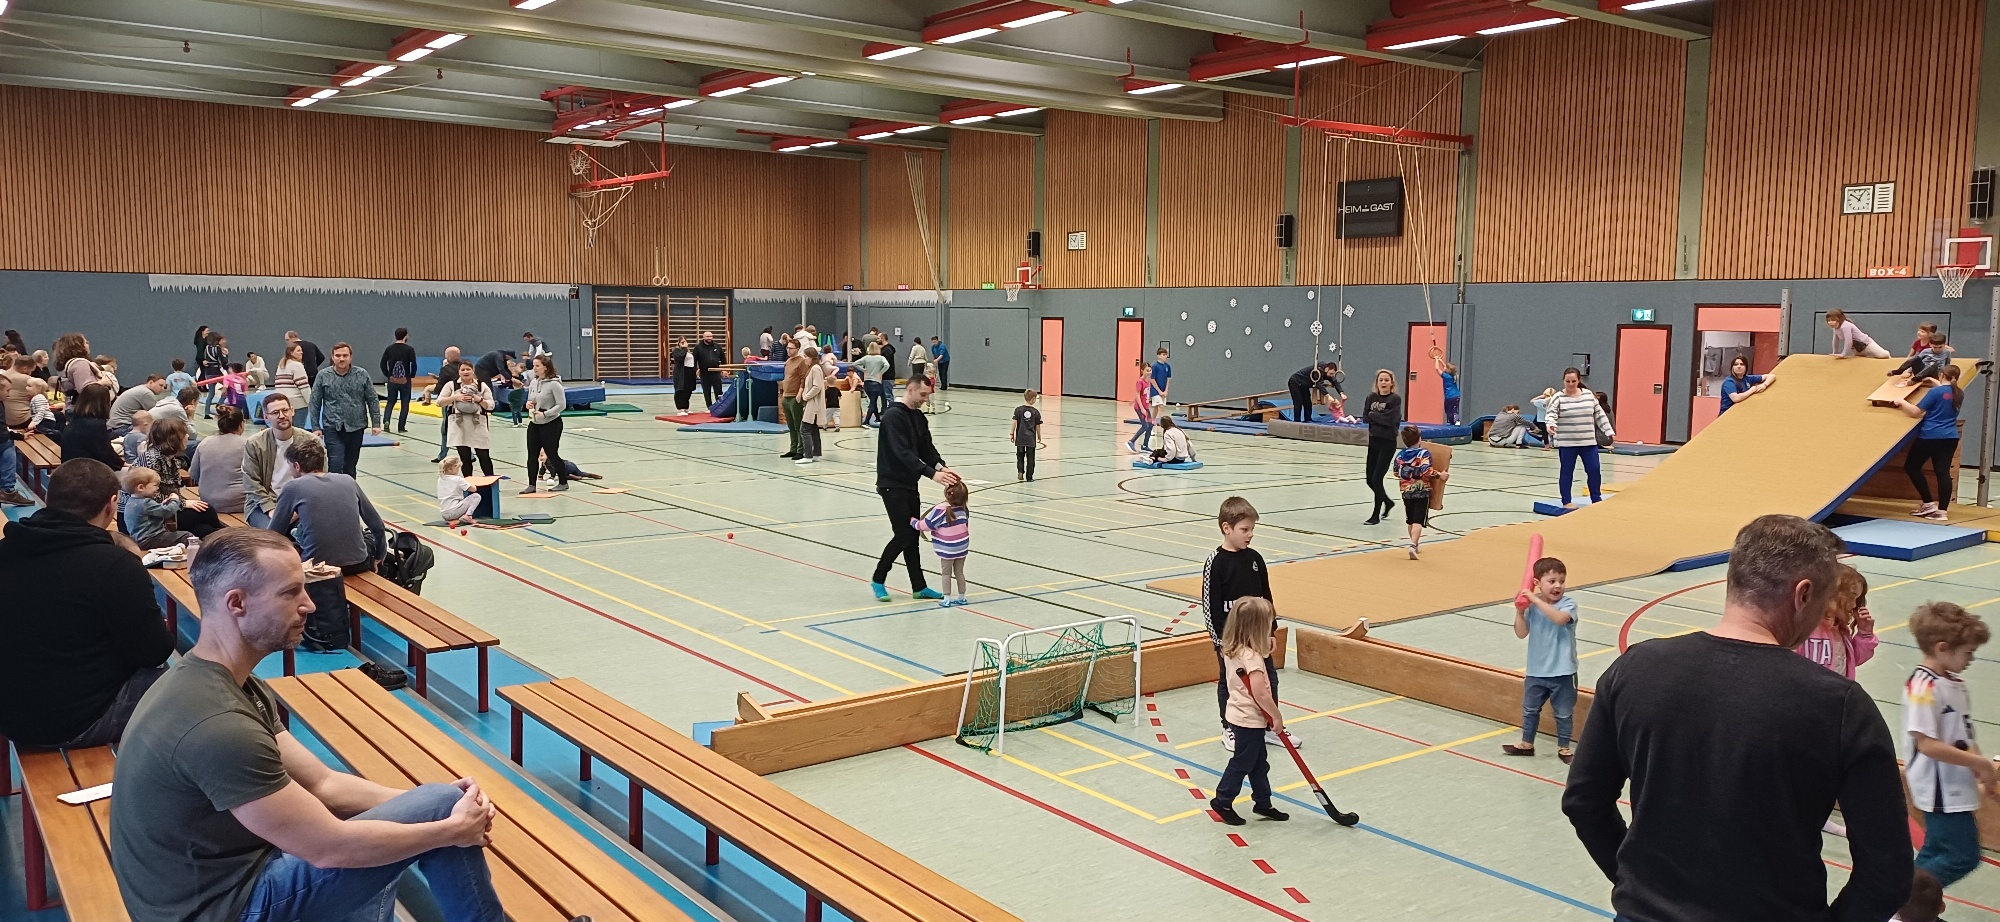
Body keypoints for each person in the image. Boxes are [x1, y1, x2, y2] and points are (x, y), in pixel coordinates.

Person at [109, 527, 561, 922]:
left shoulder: (224, 682)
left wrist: (431, 804)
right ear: (237, 603)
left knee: (434, 805)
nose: (309, 604)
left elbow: (323, 785)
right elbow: (329, 849)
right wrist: (450, 826)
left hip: (217, 886)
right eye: (290, 593)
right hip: (225, 909)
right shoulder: (218, 724)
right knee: (429, 815)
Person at [1563, 514, 1911, 922]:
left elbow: (1584, 802)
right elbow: (1887, 871)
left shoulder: (1634, 669)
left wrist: (1637, 886)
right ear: (1803, 595)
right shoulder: (1840, 705)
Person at [0, 458, 172, 749]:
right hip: (73, 722)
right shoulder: (117, 565)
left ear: (50, 498)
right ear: (111, 505)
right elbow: (154, 651)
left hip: (10, 714)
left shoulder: (7, 550)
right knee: (187, 681)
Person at [1903, 600, 1993, 892]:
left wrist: (1983, 769)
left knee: (1935, 852)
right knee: (1960, 856)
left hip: (1955, 784)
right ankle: (1903, 902)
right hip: (1939, 787)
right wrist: (1980, 764)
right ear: (1942, 648)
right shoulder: (1923, 687)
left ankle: (1904, 902)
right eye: (1968, 652)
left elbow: (1963, 735)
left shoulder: (1953, 683)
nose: (1971, 659)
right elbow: (1928, 745)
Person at [269, 438, 386, 650]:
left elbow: (273, 533)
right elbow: (377, 525)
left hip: (318, 569)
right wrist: (379, 557)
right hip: (356, 563)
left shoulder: (293, 486)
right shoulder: (348, 480)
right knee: (364, 537)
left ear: (297, 466)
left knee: (297, 538)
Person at [1203, 497, 1298, 752]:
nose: (1250, 534)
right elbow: (1210, 607)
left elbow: (1266, 597)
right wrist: (1220, 642)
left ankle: (1269, 726)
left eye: (1252, 529)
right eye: (1244, 529)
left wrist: (1270, 630)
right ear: (1226, 528)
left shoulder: (1255, 559)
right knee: (1230, 683)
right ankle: (1230, 727)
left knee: (1269, 680)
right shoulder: (1216, 562)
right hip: (1231, 642)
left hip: (1258, 637)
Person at [872, 372, 957, 602]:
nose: (925, 400)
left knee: (913, 536)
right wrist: (932, 474)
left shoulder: (918, 417)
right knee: (903, 535)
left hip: (910, 484)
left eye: (928, 395)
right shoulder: (893, 417)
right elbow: (903, 453)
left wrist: (941, 467)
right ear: (910, 389)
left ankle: (919, 587)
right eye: (923, 394)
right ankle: (878, 578)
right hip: (892, 485)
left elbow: (926, 448)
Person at [1208, 596, 1290, 826]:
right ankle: (1222, 801)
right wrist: (1276, 716)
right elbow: (1260, 694)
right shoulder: (1252, 658)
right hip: (1248, 720)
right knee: (1243, 763)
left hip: (1238, 714)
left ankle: (1263, 803)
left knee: (1259, 763)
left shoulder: (1233, 649)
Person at [1504, 557, 1578, 763]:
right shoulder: (1531, 606)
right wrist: (1520, 612)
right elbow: (1521, 633)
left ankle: (1564, 747)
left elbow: (1559, 619)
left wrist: (1535, 600)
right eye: (1552, 581)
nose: (1558, 586)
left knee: (1563, 713)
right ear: (1537, 583)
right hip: (1536, 671)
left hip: (1563, 671)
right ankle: (1526, 744)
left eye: (1561, 581)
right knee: (1530, 709)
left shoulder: (1568, 604)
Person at [1893, 364, 1963, 521]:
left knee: (1912, 467)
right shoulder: (1958, 393)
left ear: (1942, 375)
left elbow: (1915, 412)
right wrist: (1932, 380)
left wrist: (1901, 401)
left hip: (1930, 436)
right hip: (1950, 437)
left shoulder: (1935, 392)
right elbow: (1945, 393)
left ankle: (1928, 503)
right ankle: (1942, 512)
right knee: (1943, 473)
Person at [243, 393, 321, 530]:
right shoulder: (255, 443)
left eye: (285, 410)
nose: (281, 415)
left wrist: (297, 511)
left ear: (292, 411)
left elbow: (319, 479)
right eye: (275, 413)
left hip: (300, 503)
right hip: (262, 505)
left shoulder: (311, 441)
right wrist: (271, 510)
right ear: (266, 417)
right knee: (272, 533)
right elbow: (251, 482)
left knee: (311, 531)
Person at [1795, 563, 1877, 681]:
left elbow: (1853, 660)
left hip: (1836, 689)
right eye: (1851, 597)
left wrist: (1865, 634)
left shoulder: (1840, 629)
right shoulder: (1805, 629)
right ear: (1832, 594)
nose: (1854, 604)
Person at [311, 343, 381, 479]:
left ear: (350, 357)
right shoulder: (323, 375)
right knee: (335, 463)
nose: (341, 359)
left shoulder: (362, 374)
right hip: (332, 427)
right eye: (338, 356)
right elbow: (315, 402)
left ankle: (349, 490)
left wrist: (376, 423)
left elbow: (372, 399)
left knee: (350, 466)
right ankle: (334, 490)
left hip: (356, 426)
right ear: (332, 357)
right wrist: (315, 426)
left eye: (345, 355)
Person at [1547, 367, 1613, 509]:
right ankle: (1566, 501)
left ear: (1579, 380)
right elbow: (1551, 413)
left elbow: (1599, 414)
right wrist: (1550, 424)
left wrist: (1608, 430)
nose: (1571, 384)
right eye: (1568, 381)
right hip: (1567, 443)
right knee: (1567, 472)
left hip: (1588, 442)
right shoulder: (1558, 397)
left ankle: (1596, 498)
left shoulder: (1588, 395)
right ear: (1563, 381)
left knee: (1594, 470)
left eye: (1573, 381)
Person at [910, 479, 971, 606]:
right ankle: (961, 597)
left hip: (947, 548)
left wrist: (914, 522)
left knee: (946, 573)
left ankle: (947, 598)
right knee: (959, 572)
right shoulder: (964, 509)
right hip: (962, 546)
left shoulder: (940, 509)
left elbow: (927, 525)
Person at [189, 404, 250, 516]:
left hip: (208, 499)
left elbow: (193, 474)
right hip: (239, 502)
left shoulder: (205, 442)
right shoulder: (247, 444)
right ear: (241, 424)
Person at [1391, 426, 1441, 558]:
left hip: (1406, 491)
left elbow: (1396, 472)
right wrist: (1440, 475)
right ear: (1419, 439)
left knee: (1410, 520)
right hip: (1422, 491)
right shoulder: (1423, 453)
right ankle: (1413, 545)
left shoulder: (1400, 454)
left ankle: (1415, 543)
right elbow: (1427, 471)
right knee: (1418, 521)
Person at [1362, 370, 1402, 525]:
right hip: (1374, 441)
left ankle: (1375, 515)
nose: (1383, 382)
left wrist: (1374, 415)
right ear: (1377, 383)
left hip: (1388, 442)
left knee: (1377, 479)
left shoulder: (1395, 399)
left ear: (1391, 383)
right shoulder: (1371, 397)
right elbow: (1365, 417)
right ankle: (1387, 501)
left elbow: (1390, 420)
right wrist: (1378, 416)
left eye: (1386, 380)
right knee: (1369, 480)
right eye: (1381, 380)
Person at [441, 362, 496, 477]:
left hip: (477, 423)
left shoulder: (481, 386)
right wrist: (455, 397)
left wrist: (478, 399)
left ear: (473, 370)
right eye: (463, 370)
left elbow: (491, 405)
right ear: (459, 372)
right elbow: (439, 402)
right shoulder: (451, 385)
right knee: (465, 458)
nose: (465, 372)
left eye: (468, 369)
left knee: (484, 456)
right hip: (459, 425)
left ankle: (490, 483)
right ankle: (468, 483)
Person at [524, 355, 570, 492]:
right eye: (533, 366)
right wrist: (528, 404)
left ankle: (563, 482)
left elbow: (561, 405)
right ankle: (532, 485)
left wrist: (546, 413)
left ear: (545, 367)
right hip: (534, 423)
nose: (534, 368)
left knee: (552, 454)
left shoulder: (554, 384)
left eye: (537, 366)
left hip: (551, 423)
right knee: (532, 455)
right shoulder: (534, 382)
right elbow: (531, 399)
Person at [121, 466, 192, 551]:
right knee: (187, 536)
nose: (157, 488)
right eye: (155, 485)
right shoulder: (145, 503)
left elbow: (156, 510)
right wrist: (175, 500)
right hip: (151, 538)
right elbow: (168, 511)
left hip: (139, 539)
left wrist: (163, 504)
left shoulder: (131, 502)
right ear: (141, 487)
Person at [62, 382, 123, 470]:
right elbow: (104, 452)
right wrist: (122, 464)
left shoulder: (76, 419)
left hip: (71, 466)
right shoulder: (94, 425)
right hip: (85, 471)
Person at [425, 346, 466, 463]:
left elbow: (441, 386)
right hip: (465, 402)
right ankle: (470, 455)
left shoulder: (446, 369)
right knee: (462, 429)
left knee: (446, 430)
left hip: (450, 403)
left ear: (448, 357)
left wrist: (432, 391)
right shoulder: (465, 368)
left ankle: (442, 455)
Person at [380, 328, 417, 434]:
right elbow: (413, 364)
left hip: (392, 380)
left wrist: (388, 375)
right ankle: (401, 427)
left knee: (390, 401)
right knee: (405, 403)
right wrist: (411, 375)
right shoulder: (409, 349)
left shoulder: (389, 349)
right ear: (406, 336)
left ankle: (386, 420)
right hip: (405, 380)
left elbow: (382, 363)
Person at [273, 341, 312, 434]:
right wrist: (311, 402)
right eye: (298, 350)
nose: (301, 352)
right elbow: (303, 386)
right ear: (291, 352)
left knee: (287, 430)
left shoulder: (281, 365)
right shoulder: (297, 365)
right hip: (298, 403)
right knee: (299, 430)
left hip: (283, 402)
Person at [796, 345, 827, 464]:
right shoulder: (813, 368)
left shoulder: (815, 369)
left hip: (813, 404)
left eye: (806, 356)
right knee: (813, 429)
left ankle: (808, 455)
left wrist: (806, 396)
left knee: (805, 429)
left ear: (811, 357)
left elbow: (817, 386)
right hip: (811, 403)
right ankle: (816, 454)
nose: (804, 359)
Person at [779, 338, 808, 460]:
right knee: (791, 425)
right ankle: (793, 448)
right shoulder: (788, 361)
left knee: (798, 424)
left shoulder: (801, 362)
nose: (788, 350)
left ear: (797, 349)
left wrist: (799, 394)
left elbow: (803, 379)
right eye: (787, 348)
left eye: (791, 348)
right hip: (786, 396)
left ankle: (801, 450)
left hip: (795, 397)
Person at [1826, 308, 1892, 358]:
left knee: (1883, 355)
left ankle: (1885, 353)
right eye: (1829, 320)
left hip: (1867, 344)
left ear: (1840, 319)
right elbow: (1835, 340)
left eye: (1833, 320)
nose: (1830, 322)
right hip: (1857, 348)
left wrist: (1843, 354)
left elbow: (1848, 341)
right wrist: (1835, 352)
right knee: (1859, 361)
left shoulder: (1845, 326)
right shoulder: (1836, 328)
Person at [52, 332, 99, 398]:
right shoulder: (80, 363)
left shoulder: (66, 364)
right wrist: (103, 382)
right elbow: (85, 389)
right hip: (84, 403)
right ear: (78, 346)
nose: (88, 344)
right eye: (86, 342)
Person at [1125, 358, 1156, 453]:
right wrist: (1142, 408)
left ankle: (1145, 446)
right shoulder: (1140, 381)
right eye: (1147, 370)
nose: (1149, 372)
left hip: (1146, 407)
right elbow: (1137, 395)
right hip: (1140, 408)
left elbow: (1145, 394)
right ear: (1142, 371)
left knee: (1150, 425)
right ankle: (1131, 441)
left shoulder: (1148, 381)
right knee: (1145, 426)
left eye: (1150, 370)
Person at [437, 456, 479, 525]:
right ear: (450, 469)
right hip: (453, 512)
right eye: (457, 468)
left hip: (444, 514)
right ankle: (468, 516)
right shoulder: (458, 479)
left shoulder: (441, 479)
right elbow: (473, 489)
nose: (459, 470)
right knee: (476, 496)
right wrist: (470, 482)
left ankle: (454, 520)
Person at [1010, 389, 1041, 481]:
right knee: (1030, 457)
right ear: (1033, 399)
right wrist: (1039, 436)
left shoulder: (1018, 410)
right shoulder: (1035, 412)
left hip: (1020, 437)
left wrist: (1012, 433)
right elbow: (1038, 425)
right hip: (1030, 438)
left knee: (1020, 455)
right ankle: (1029, 476)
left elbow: (1014, 422)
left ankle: (1020, 471)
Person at [858, 343, 890, 426]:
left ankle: (877, 418)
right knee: (873, 402)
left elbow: (855, 364)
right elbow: (887, 365)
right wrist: (881, 372)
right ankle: (866, 421)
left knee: (873, 401)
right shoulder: (880, 358)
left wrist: (864, 370)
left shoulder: (866, 358)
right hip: (876, 382)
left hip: (867, 382)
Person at [199, 331, 229, 418]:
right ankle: (219, 404)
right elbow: (222, 361)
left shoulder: (207, 348)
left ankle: (207, 413)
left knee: (211, 393)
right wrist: (226, 356)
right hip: (216, 372)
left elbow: (206, 359)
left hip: (208, 372)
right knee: (228, 387)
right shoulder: (217, 348)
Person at [695, 330, 727, 408]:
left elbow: (723, 359)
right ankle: (709, 407)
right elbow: (694, 360)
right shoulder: (698, 348)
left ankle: (719, 407)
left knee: (718, 391)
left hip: (716, 373)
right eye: (707, 336)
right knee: (706, 391)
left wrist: (724, 369)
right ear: (703, 337)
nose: (709, 338)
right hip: (704, 373)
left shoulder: (717, 346)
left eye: (711, 336)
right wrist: (696, 370)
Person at [1433, 355, 1462, 424]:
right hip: (1456, 396)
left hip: (1450, 396)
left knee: (1448, 410)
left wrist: (1436, 359)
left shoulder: (1446, 376)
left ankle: (1453, 422)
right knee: (1454, 410)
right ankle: (1456, 422)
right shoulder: (1453, 375)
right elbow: (1445, 367)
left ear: (1448, 370)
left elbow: (1437, 369)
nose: (1444, 367)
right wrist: (1440, 360)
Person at [670, 336, 696, 412]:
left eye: (685, 342)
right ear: (678, 343)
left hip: (689, 371)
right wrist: (684, 348)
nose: (684, 343)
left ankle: (685, 407)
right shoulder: (676, 351)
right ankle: (680, 408)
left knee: (688, 390)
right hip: (681, 372)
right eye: (682, 342)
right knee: (680, 390)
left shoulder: (688, 351)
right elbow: (680, 357)